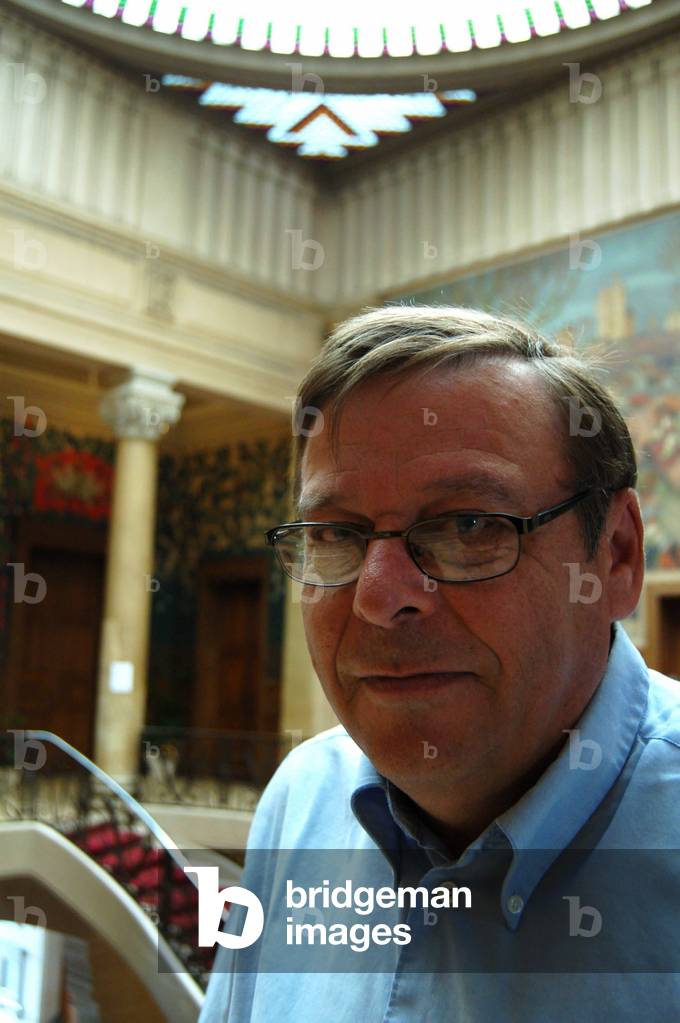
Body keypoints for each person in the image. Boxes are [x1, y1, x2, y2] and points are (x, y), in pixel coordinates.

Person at [200, 306, 680, 1021]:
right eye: (336, 533)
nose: (379, 595)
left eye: (468, 526)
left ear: (615, 554)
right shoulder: (301, 800)